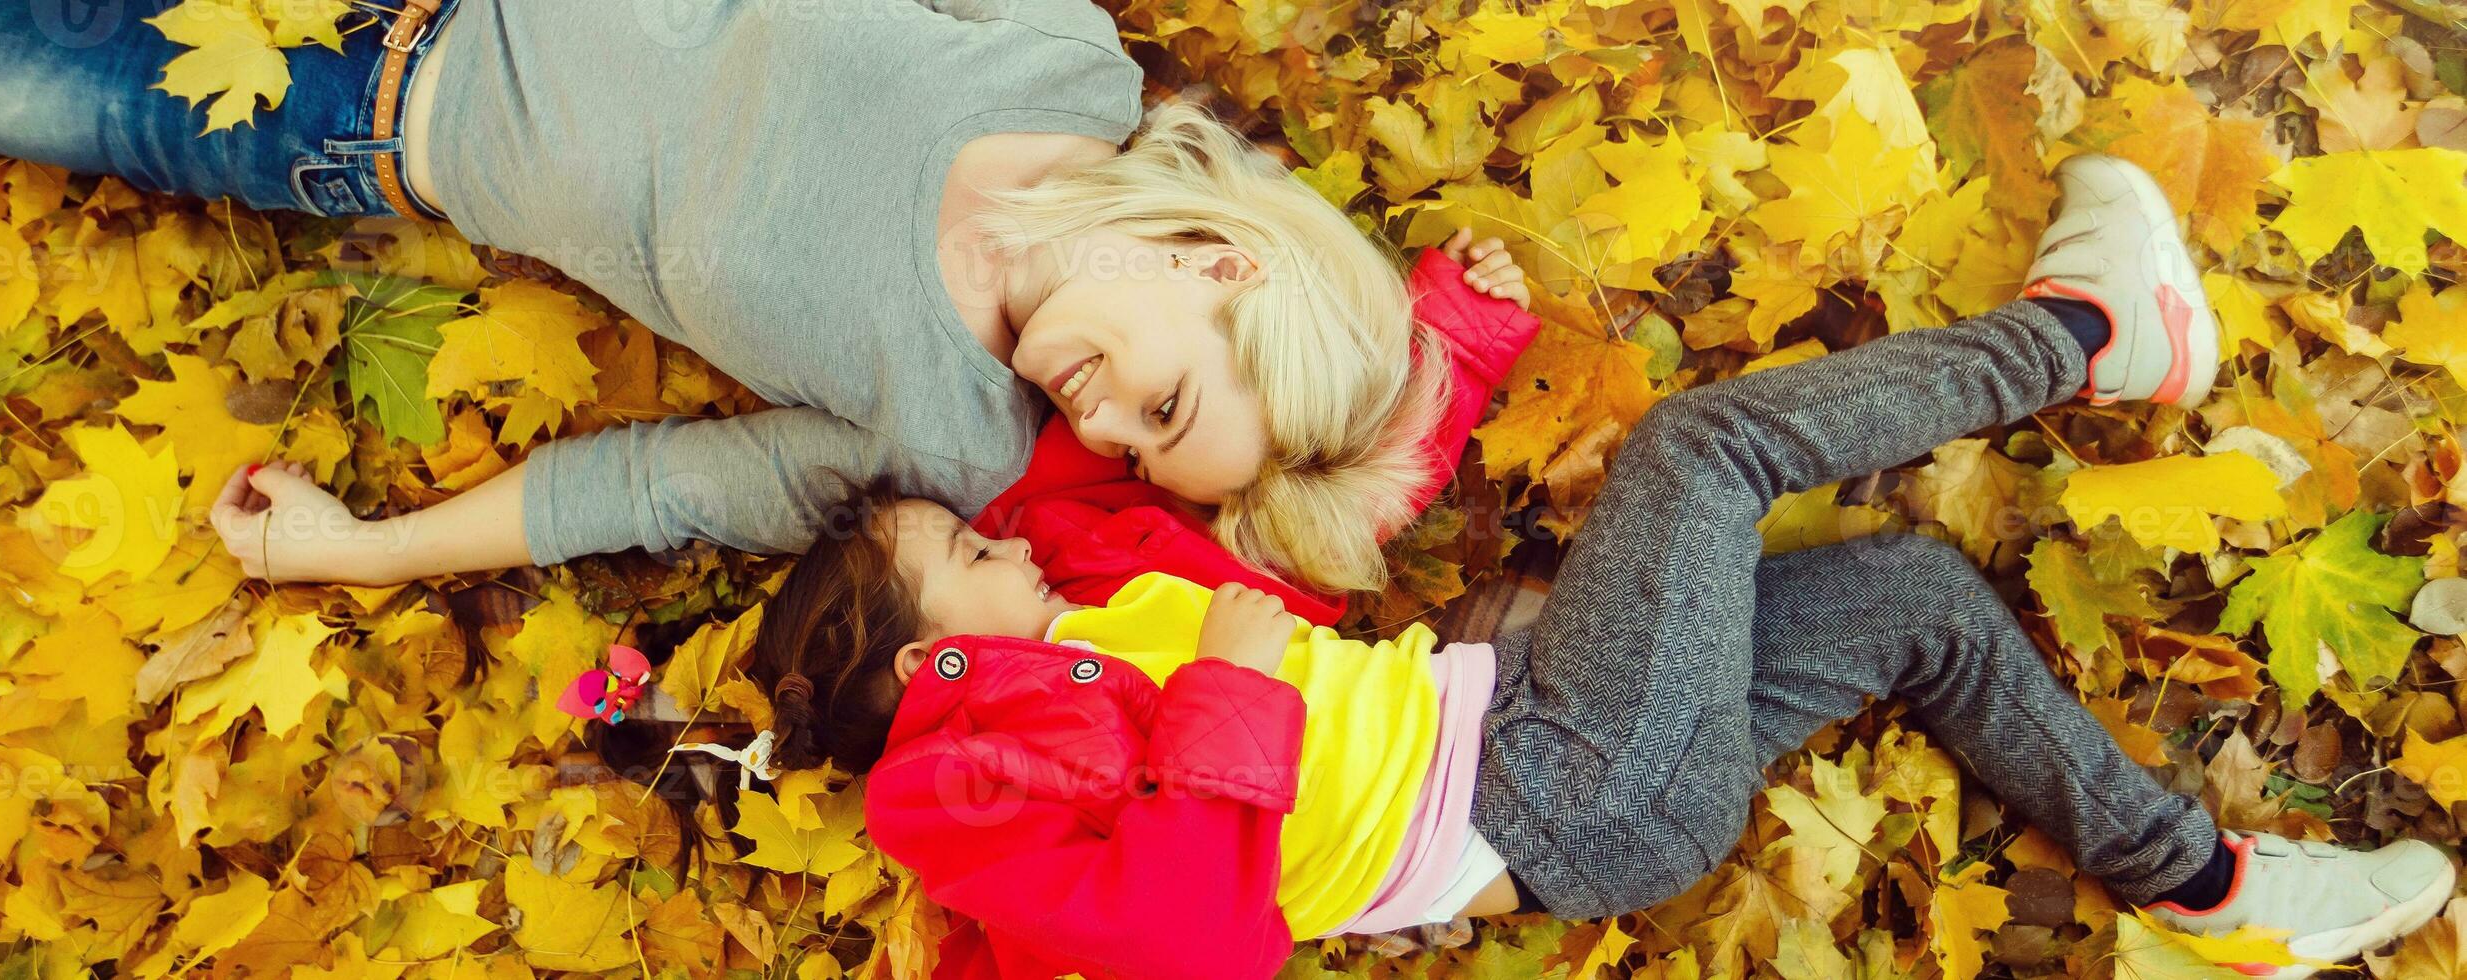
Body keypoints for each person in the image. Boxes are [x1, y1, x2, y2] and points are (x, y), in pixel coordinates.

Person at [710, 156, 2457, 979]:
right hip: (1565, 795)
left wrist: (1454, 342)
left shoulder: (1089, 619)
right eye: (958, 550)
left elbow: (1333, 523)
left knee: (1917, 598)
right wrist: (1229, 696)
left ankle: (2205, 886)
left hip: (1549, 729)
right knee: (1703, 449)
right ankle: (2089, 334)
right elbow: (1194, 936)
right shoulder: (969, 786)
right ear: (914, 650)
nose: (997, 534)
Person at [0, 0, 1499, 594]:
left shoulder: (943, 430)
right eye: (1162, 402)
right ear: (1217, 260)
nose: (1096, 428)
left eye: (1134, 451)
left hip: (348, 109)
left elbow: (660, 485)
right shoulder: (1055, 61)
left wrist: (361, 557)